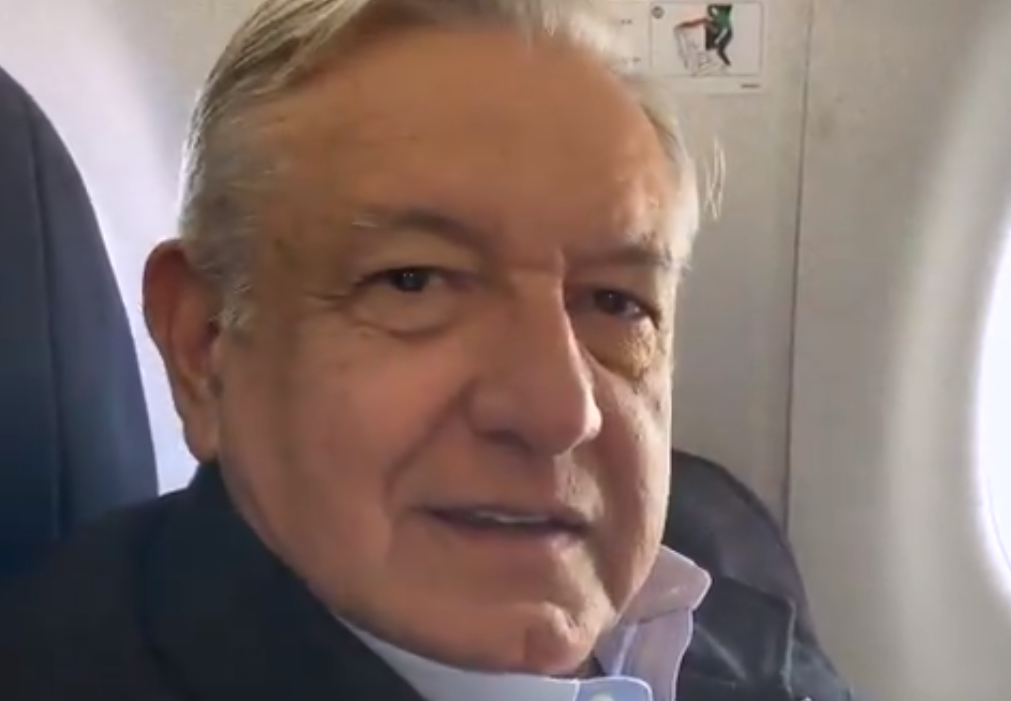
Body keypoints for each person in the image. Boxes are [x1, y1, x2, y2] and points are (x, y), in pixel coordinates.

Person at [0, 1, 861, 699]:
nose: (559, 411)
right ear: (204, 342)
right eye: (413, 281)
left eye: (615, 302)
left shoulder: (735, 586)